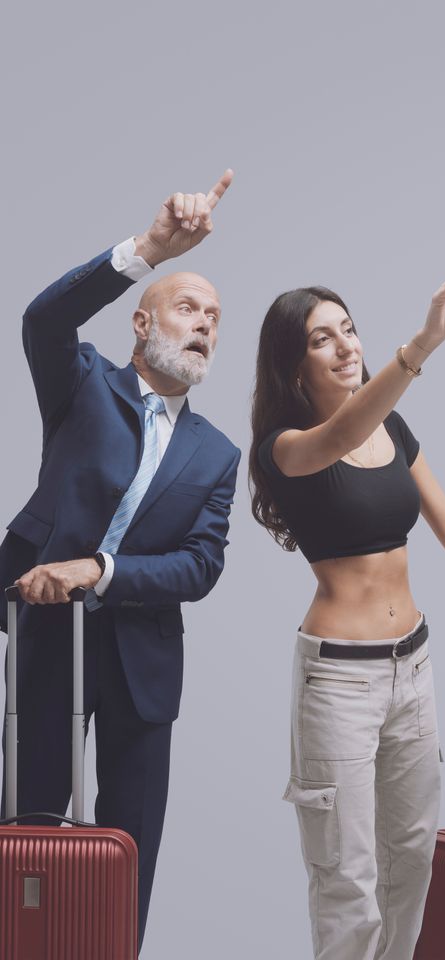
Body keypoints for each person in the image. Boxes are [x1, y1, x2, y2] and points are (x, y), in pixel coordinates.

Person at [249, 244, 445, 960]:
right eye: (321, 338)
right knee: (347, 877)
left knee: (412, 858)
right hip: (339, 681)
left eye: (348, 328)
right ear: (295, 367)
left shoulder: (390, 427)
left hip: (411, 670)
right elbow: (344, 431)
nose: (344, 345)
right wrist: (427, 341)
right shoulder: (285, 447)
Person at [1, 171, 241, 949]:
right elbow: (43, 318)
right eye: (187, 306)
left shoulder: (216, 453)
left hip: (142, 661)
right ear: (141, 323)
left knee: (128, 856)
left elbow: (199, 567)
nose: (204, 322)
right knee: (27, 839)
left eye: (214, 316)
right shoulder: (83, 386)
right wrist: (149, 249)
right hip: (47, 639)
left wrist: (99, 573)